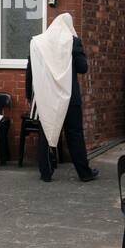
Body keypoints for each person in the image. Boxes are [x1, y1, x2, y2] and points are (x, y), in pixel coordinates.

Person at [26, 12, 99, 183]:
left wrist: (29, 95)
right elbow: (83, 68)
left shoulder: (37, 42)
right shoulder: (73, 42)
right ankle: (84, 173)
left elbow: (30, 71)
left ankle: (46, 173)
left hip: (45, 97)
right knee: (75, 134)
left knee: (46, 132)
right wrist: (78, 51)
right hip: (70, 97)